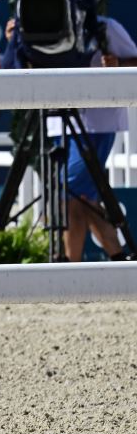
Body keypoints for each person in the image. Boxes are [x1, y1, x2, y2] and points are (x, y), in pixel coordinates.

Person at [61, 16, 137, 262]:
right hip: (57, 122)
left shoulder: (108, 27)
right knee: (83, 199)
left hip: (97, 124)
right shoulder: (36, 23)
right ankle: (119, 258)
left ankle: (70, 271)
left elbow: (134, 61)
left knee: (70, 195)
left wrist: (118, 63)